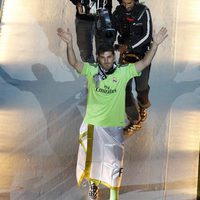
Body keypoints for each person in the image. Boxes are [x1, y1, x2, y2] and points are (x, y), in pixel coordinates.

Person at [57, 26, 167, 200]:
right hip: (93, 124)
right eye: (103, 58)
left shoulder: (123, 73)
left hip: (114, 128)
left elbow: (144, 63)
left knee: (114, 164)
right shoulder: (91, 70)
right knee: (93, 161)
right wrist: (70, 44)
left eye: (109, 57)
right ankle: (94, 186)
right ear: (99, 59)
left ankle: (113, 196)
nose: (107, 61)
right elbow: (74, 63)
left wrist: (155, 45)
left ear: (113, 57)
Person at [112, 0, 153, 133]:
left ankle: (143, 106)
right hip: (125, 57)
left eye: (129, 2)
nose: (126, 6)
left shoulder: (143, 11)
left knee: (141, 88)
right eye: (124, 3)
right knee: (122, 88)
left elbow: (147, 36)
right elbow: (111, 31)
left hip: (142, 56)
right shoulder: (118, 12)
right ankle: (134, 118)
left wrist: (128, 46)